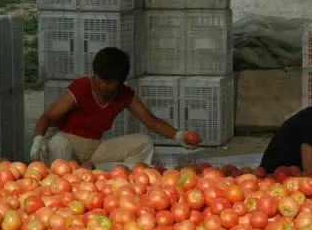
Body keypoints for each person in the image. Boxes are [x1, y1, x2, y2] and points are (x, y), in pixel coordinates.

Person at [30, 47, 199, 167]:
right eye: (100, 79)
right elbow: (48, 117)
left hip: (95, 148)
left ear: (120, 82)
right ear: (94, 74)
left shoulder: (125, 95)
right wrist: (38, 138)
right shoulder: (81, 87)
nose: (103, 85)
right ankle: (64, 185)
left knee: (143, 143)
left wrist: (178, 135)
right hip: (67, 144)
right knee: (59, 144)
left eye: (109, 82)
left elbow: (151, 122)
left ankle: (119, 183)